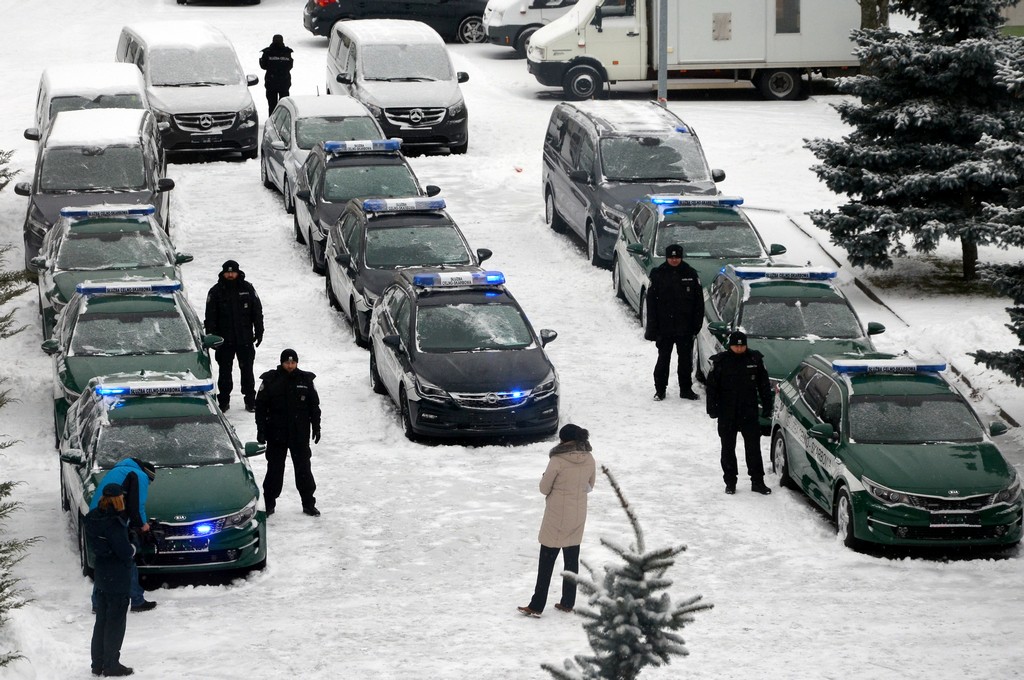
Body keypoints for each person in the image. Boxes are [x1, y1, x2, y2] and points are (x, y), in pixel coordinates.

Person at [518, 423, 596, 618]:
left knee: (546, 561)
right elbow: (590, 485)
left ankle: (537, 605)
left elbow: (544, 488)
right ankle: (568, 602)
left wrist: (546, 478)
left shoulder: (558, 460)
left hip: (556, 516)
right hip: (578, 514)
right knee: (571, 560)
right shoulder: (589, 458)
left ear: (564, 440)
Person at [705, 330, 773, 496]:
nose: (739, 349)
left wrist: (767, 406)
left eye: (742, 346)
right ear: (730, 346)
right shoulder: (721, 362)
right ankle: (730, 481)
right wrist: (712, 409)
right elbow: (712, 388)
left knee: (753, 448)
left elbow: (764, 385)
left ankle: (757, 481)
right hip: (727, 411)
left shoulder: (754, 360)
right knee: (728, 448)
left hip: (748, 410)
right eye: (736, 346)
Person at [255, 348, 322, 517]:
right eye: (287, 362)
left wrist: (317, 427)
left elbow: (314, 407)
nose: (290, 366)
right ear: (282, 362)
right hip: (276, 433)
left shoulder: (306, 380)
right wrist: (261, 430)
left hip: (299, 434)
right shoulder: (271, 380)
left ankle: (308, 503)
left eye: (293, 362)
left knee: (304, 470)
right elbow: (261, 408)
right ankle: (269, 503)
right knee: (275, 470)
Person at [90, 458, 157, 613]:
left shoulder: (119, 470)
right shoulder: (140, 475)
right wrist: (144, 526)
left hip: (96, 518)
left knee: (105, 560)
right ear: (149, 476)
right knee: (127, 559)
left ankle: (98, 603)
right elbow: (137, 505)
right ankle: (137, 600)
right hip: (111, 521)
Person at [86, 483, 137, 677]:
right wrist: (133, 545)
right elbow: (125, 552)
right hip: (117, 575)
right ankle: (111, 664)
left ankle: (97, 664)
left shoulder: (92, 519)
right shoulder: (114, 524)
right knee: (115, 623)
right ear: (118, 499)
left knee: (101, 621)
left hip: (102, 574)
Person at [644, 243, 704, 401]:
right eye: (671, 257)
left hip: (685, 328)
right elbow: (651, 304)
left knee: (685, 362)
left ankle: (685, 389)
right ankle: (660, 390)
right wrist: (652, 329)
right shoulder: (658, 275)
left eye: (677, 257)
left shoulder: (690, 274)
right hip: (665, 329)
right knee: (663, 360)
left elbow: (699, 303)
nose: (674, 260)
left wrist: (696, 327)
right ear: (667, 257)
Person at [205, 260, 265, 413]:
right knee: (225, 372)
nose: (230, 275)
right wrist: (211, 336)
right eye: (228, 272)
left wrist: (259, 331)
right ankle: (224, 401)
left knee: (247, 371)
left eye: (233, 272)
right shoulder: (216, 292)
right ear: (223, 273)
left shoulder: (247, 289)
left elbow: (257, 312)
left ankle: (250, 400)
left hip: (244, 339)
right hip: (224, 341)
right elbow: (210, 317)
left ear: (238, 272)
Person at [259, 34, 293, 116]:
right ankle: (283, 122)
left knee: (272, 106)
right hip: (284, 83)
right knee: (284, 106)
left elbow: (263, 66)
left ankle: (272, 121)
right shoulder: (287, 52)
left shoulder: (267, 52)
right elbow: (290, 66)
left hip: (271, 83)